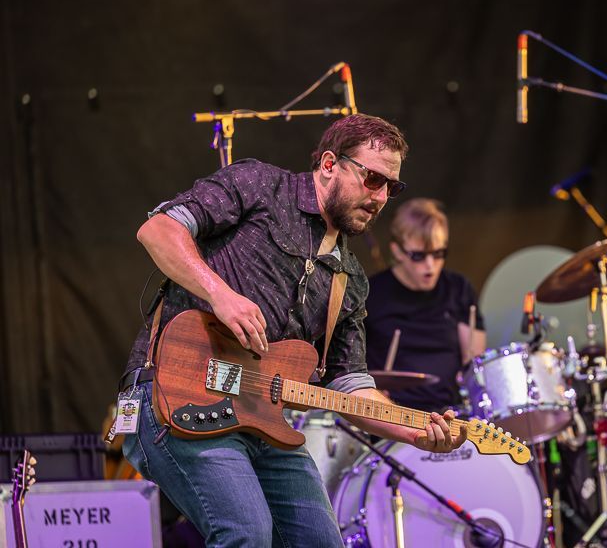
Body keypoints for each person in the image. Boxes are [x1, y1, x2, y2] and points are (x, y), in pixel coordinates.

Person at [117, 114, 467, 548]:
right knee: (246, 534)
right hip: (172, 392)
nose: (379, 197)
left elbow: (350, 385)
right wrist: (220, 294)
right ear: (328, 164)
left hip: (262, 419)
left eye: (390, 187)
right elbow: (159, 229)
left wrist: (414, 432)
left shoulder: (350, 279)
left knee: (322, 542)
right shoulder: (261, 186)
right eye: (371, 178)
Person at [365, 198, 486, 414]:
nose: (430, 266)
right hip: (392, 419)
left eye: (438, 254)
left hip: (451, 417)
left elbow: (475, 366)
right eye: (418, 256)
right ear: (397, 251)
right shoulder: (370, 294)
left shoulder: (458, 289)